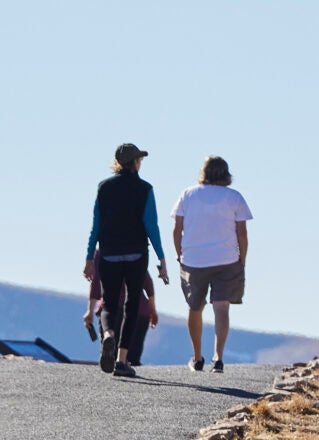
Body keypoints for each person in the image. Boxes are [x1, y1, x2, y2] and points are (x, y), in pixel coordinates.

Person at [83, 143, 167, 377]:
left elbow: (95, 226)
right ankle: (121, 360)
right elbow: (152, 226)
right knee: (131, 304)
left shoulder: (104, 188)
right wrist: (161, 258)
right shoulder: (145, 189)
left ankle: (108, 334)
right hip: (136, 254)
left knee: (109, 302)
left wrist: (90, 257)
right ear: (135, 162)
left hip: (108, 253)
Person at [171, 156, 252, 374]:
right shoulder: (234, 197)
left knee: (195, 307)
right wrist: (242, 259)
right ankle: (218, 358)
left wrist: (179, 254)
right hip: (227, 258)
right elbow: (242, 233)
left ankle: (197, 357)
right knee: (221, 307)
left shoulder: (188, 194)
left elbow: (177, 228)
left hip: (194, 259)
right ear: (226, 174)